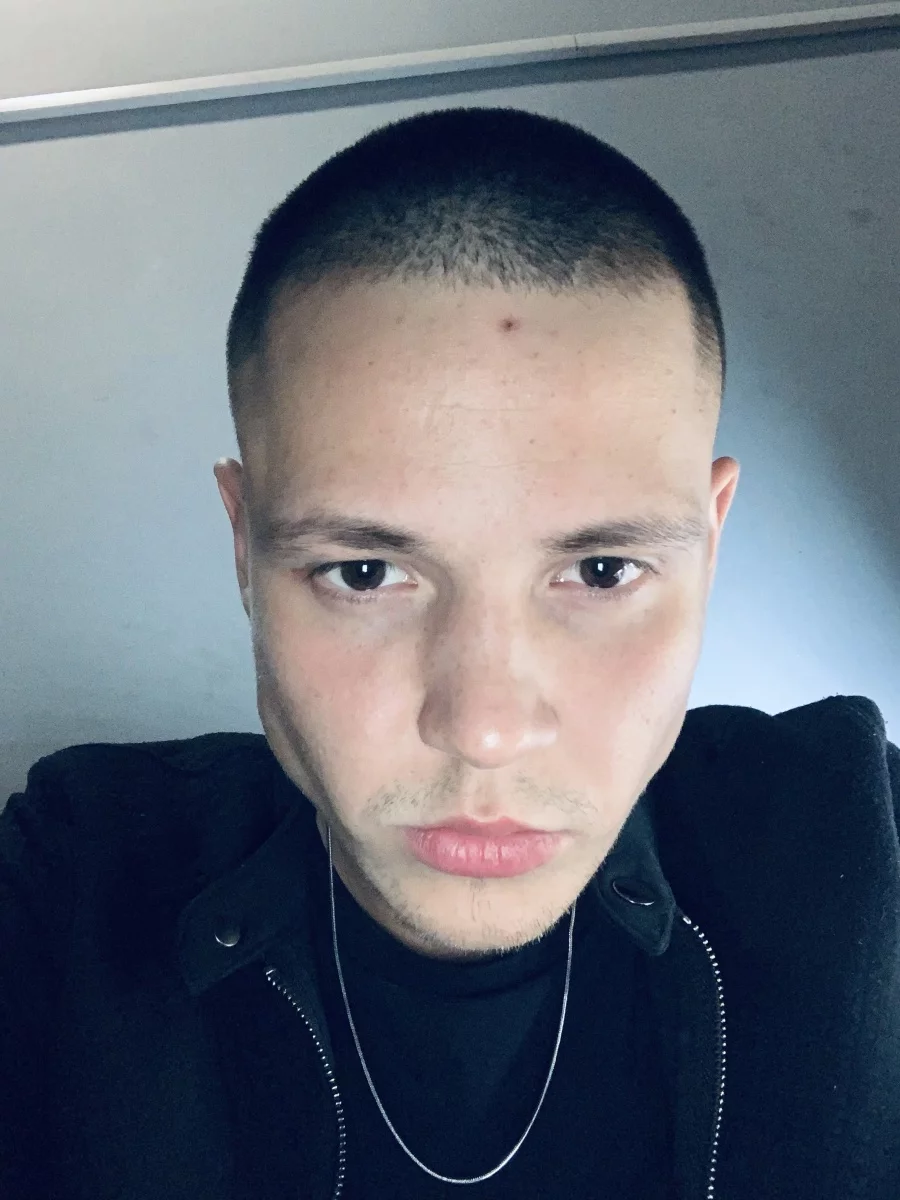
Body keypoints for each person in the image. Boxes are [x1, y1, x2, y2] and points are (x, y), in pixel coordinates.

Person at [1, 106, 898, 1200]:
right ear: (245, 546)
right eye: (364, 572)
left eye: (601, 570)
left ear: (708, 549)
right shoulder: (70, 886)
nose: (484, 729)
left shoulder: (865, 855)